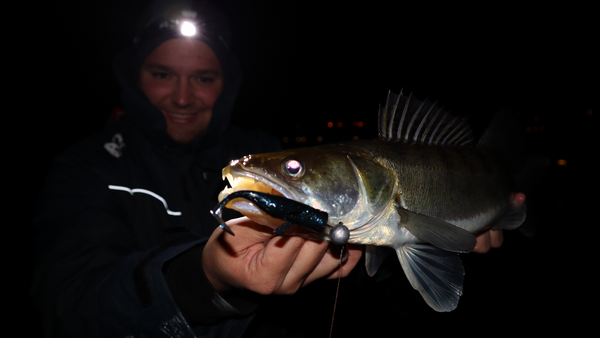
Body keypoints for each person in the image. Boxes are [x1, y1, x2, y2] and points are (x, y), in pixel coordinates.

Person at [31, 0, 521, 337]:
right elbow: (64, 309)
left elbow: (367, 259)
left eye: (203, 77)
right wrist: (204, 280)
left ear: (226, 83)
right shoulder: (83, 168)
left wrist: (408, 249)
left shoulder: (259, 144)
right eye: (162, 74)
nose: (183, 96)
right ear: (133, 76)